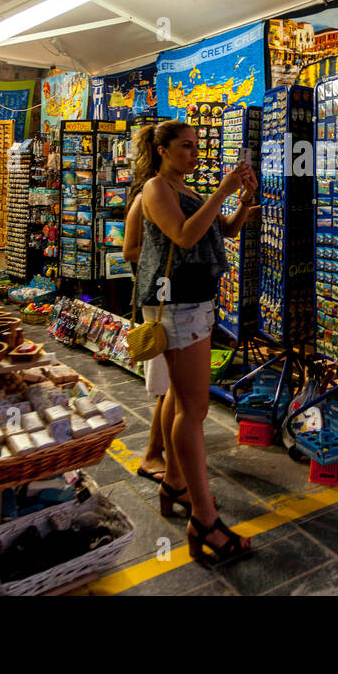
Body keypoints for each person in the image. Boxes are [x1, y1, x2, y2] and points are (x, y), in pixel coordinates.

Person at [135, 120, 260, 565]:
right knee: (195, 408)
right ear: (164, 150)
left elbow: (222, 231)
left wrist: (242, 202)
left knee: (183, 401)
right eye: (186, 147)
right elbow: (184, 235)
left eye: (196, 146)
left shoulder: (186, 190)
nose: (194, 153)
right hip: (175, 302)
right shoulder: (155, 189)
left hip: (195, 300)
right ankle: (203, 519)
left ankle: (174, 482)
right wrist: (223, 191)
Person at [123, 188, 174, 485]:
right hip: (159, 295)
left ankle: (164, 452)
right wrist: (173, 250)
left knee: (173, 387)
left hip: (174, 295)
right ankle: (153, 453)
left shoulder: (176, 195)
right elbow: (129, 250)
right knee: (167, 386)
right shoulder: (146, 198)